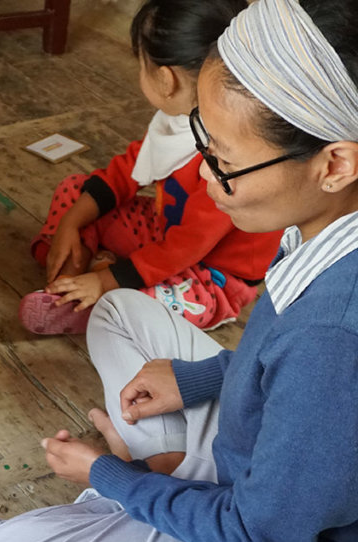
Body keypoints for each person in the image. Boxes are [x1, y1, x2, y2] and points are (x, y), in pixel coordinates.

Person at [0, 0, 358, 542]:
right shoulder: (324, 221)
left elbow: (264, 535)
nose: (207, 177)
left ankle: (157, 484)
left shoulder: (334, 335)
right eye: (203, 143)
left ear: (334, 164)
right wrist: (200, 377)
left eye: (223, 161)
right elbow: (302, 385)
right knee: (121, 310)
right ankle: (166, 477)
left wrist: (112, 480)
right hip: (267, 466)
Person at [19, 0, 281, 335]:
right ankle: (71, 273)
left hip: (211, 275)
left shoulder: (230, 155)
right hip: (162, 231)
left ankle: (91, 298)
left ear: (166, 80)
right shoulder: (179, 122)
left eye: (141, 65)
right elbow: (123, 173)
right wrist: (72, 222)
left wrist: (106, 280)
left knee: (166, 301)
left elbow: (185, 248)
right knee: (75, 190)